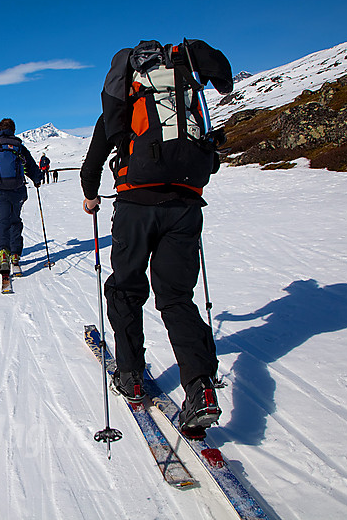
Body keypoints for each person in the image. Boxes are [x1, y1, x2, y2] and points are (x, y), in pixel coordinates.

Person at [80, 39, 233, 438]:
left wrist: (92, 196)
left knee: (127, 289)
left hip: (136, 205)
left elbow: (93, 160)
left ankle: (130, 373)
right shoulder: (184, 95)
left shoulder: (128, 102)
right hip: (186, 202)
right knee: (177, 297)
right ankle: (200, 386)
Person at [0, 118, 43, 274]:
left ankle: (3, 252)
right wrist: (37, 180)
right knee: (15, 220)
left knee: (3, 221)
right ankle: (15, 253)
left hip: (0, 191)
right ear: (13, 130)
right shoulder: (19, 147)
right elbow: (31, 167)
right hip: (18, 191)